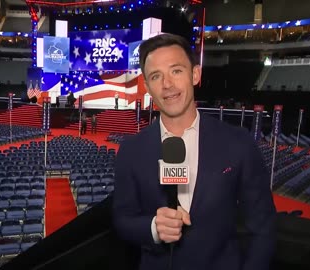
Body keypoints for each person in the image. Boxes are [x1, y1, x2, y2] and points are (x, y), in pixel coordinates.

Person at [112, 33, 276, 270]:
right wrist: (153, 228)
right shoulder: (131, 150)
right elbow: (122, 219)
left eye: (176, 71)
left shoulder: (238, 143)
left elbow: (262, 227)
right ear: (147, 87)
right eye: (156, 76)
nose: (167, 84)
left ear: (195, 74)